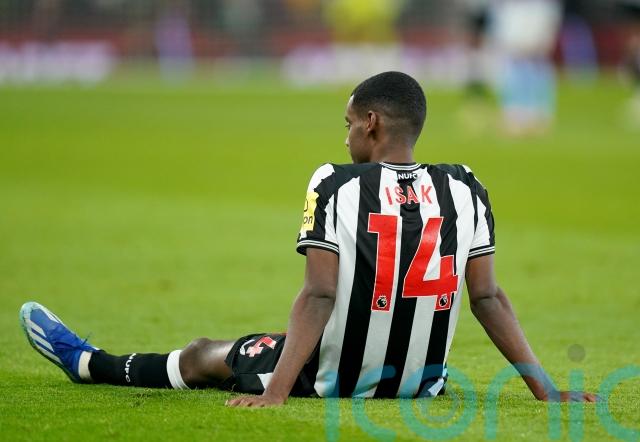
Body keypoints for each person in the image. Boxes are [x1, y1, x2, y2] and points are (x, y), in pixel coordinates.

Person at [19, 71, 597, 407]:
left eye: (348, 123)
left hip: (337, 380)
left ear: (371, 123)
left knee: (203, 354)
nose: (346, 137)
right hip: (422, 386)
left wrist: (275, 392)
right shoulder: (465, 185)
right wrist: (547, 392)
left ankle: (89, 364)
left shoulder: (336, 183)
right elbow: (488, 297)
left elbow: (320, 295)